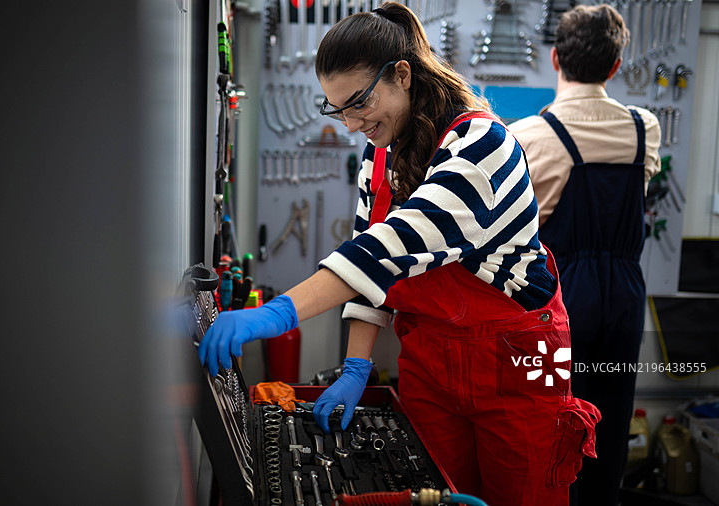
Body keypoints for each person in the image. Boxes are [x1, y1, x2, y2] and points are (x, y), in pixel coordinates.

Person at [200, 3, 599, 505]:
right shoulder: (380, 153)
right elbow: (373, 267)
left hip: (518, 362)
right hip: (430, 361)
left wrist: (275, 314)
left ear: (403, 75)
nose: (349, 124)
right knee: (433, 496)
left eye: (359, 103)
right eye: (337, 109)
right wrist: (355, 367)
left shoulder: (483, 146)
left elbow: (388, 250)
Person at [508, 5, 661, 506]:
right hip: (624, 294)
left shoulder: (529, 136)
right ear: (616, 67)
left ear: (555, 58)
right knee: (612, 415)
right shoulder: (645, 130)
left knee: (544, 414)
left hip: (557, 298)